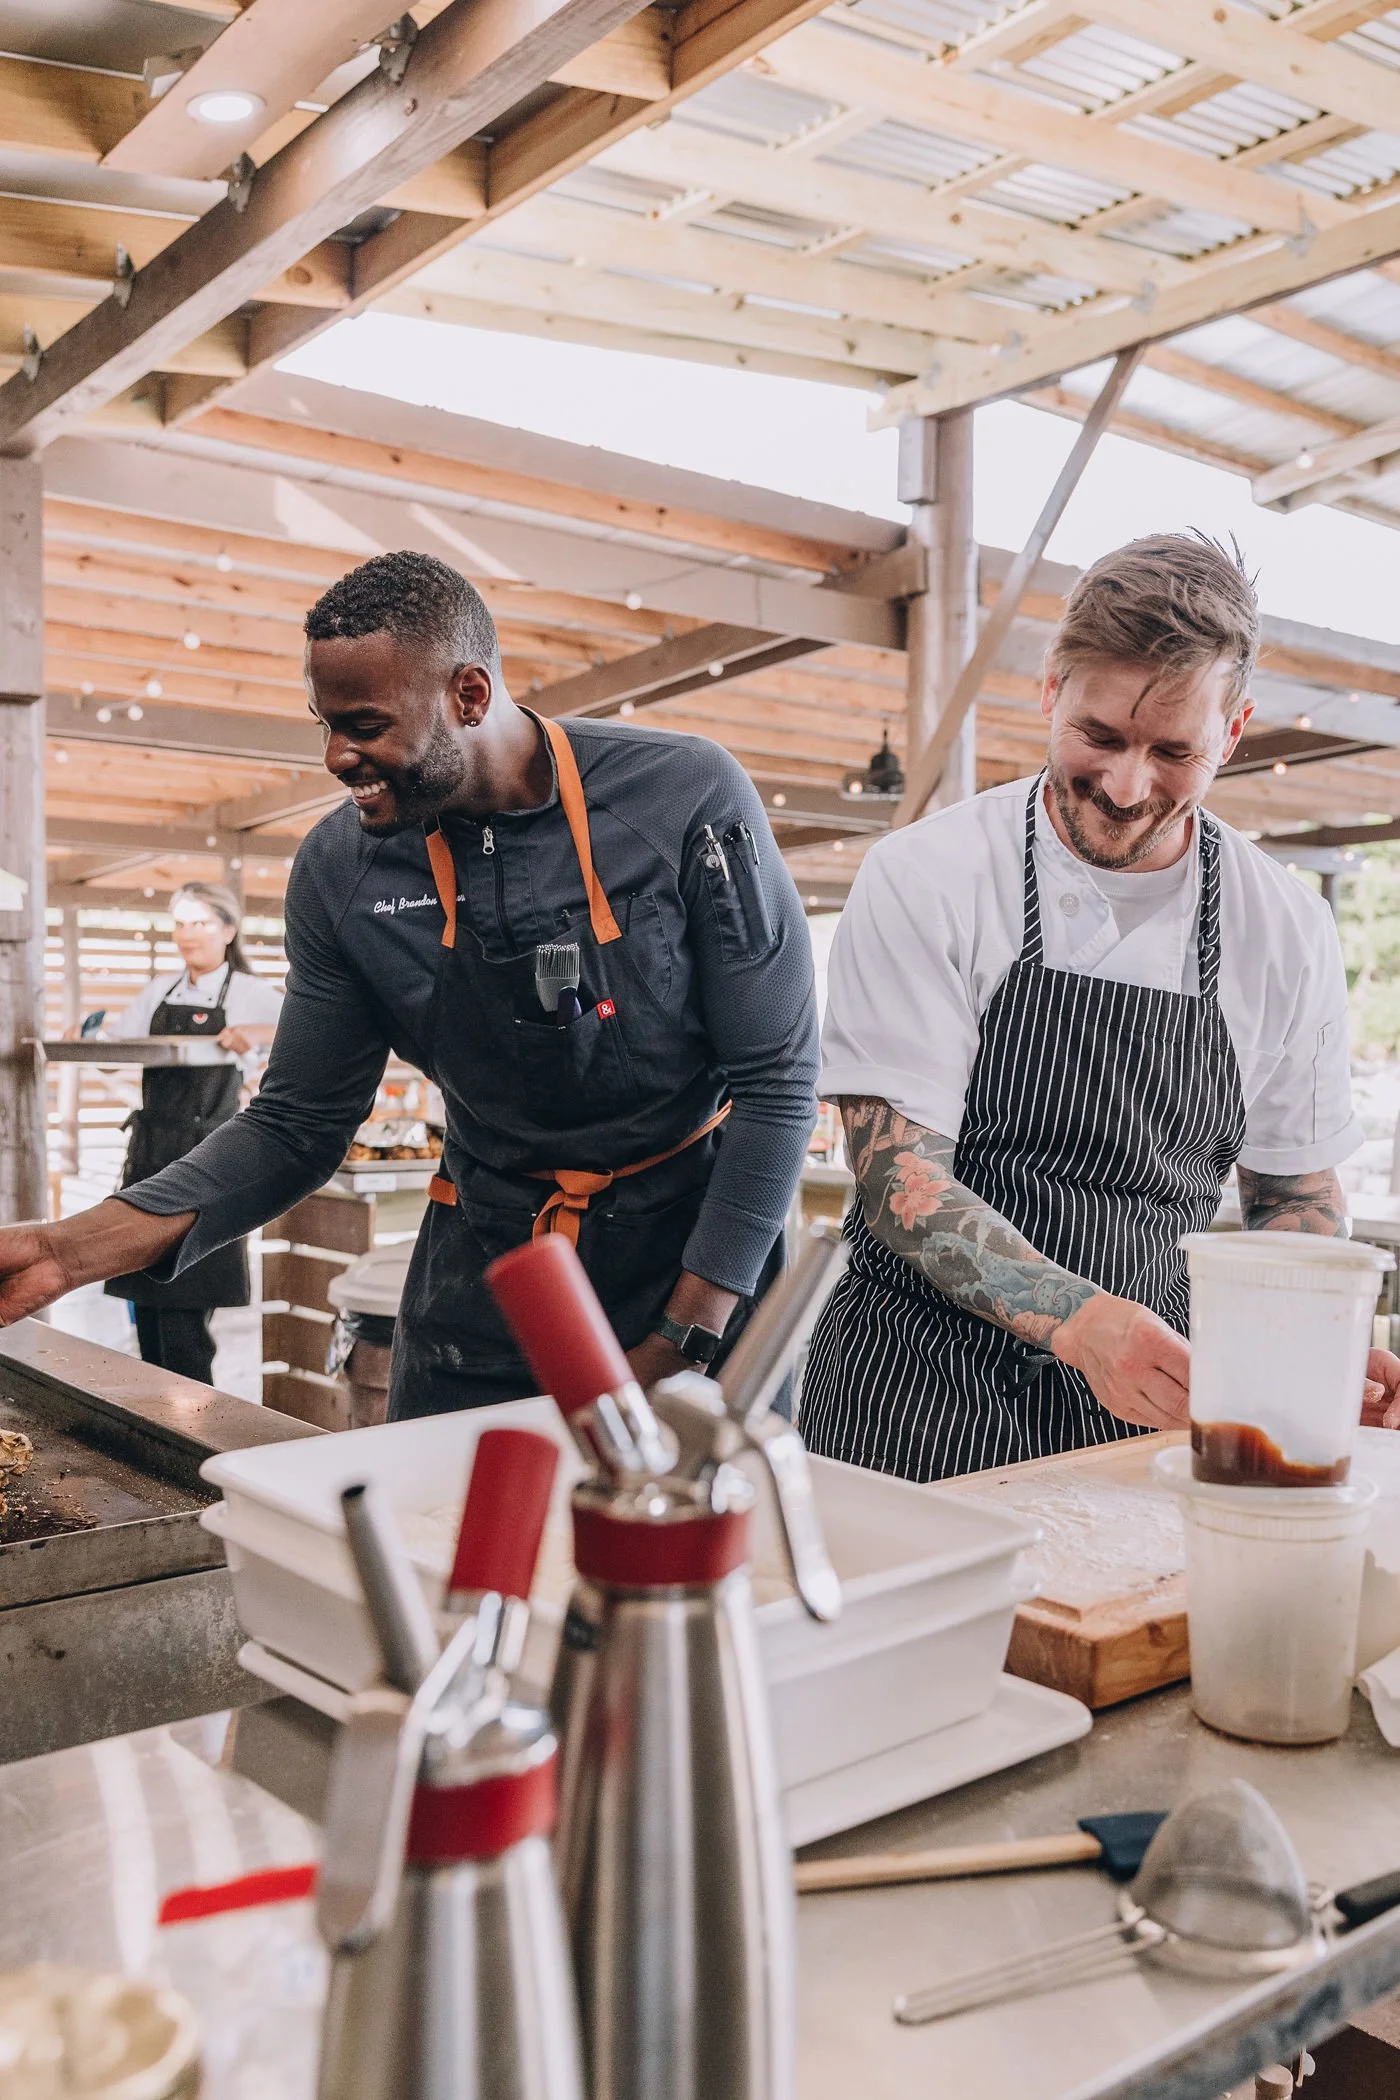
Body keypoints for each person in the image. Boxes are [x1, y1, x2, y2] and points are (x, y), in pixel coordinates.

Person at [0, 554, 818, 1416]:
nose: (332, 755)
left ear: (469, 694)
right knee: (442, 1535)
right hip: (486, 1280)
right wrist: (66, 1252)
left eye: (363, 724)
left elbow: (777, 1082)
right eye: (323, 722)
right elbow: (296, 1124)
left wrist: (683, 1338)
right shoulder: (339, 870)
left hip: (693, 1268)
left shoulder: (681, 797)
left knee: (692, 1540)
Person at [800, 533, 1400, 1481]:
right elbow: (899, 1179)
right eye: (1100, 737)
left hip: (1153, 1421)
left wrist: (1306, 1350)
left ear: (1233, 732)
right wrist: (1082, 1325)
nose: (1126, 788)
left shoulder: (1283, 926)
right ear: (1051, 688)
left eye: (1174, 752)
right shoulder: (931, 876)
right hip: (912, 1400)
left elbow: (1296, 1196)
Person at [100, 882, 283, 1384]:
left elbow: (300, 1035)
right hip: (150, 1154)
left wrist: (259, 1036)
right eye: (180, 923)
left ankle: (191, 1437)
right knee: (148, 1308)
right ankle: (151, 1425)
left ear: (228, 929)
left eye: (200, 922)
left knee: (184, 1315)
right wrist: (87, 1039)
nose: (187, 934)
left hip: (209, 1159)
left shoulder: (250, 992)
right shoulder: (160, 990)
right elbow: (115, 1047)